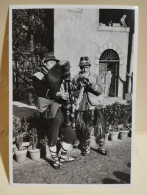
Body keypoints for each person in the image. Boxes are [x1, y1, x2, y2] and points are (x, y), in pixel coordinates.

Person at [33, 52, 77, 169]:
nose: (53, 64)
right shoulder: (38, 75)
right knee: (53, 135)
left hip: (62, 109)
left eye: (54, 62)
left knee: (70, 135)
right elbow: (40, 91)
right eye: (50, 62)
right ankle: (55, 159)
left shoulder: (58, 75)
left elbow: (67, 86)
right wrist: (57, 94)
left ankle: (62, 156)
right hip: (50, 110)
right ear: (44, 63)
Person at [73, 56, 108, 156]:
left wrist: (91, 84)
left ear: (89, 67)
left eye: (86, 67)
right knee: (85, 128)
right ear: (80, 68)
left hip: (96, 105)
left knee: (100, 127)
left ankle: (101, 146)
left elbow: (100, 90)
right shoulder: (76, 78)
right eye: (83, 67)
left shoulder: (96, 76)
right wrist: (79, 86)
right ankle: (86, 147)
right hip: (83, 106)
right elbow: (74, 93)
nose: (84, 69)